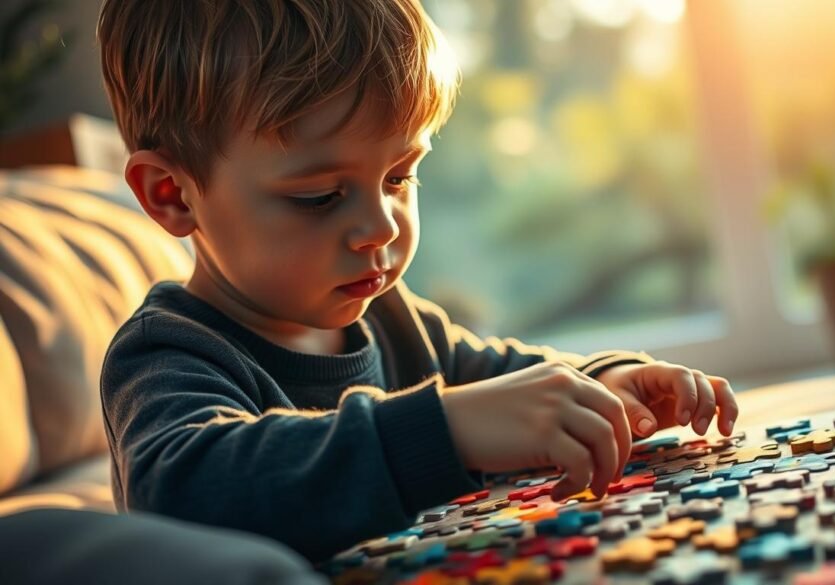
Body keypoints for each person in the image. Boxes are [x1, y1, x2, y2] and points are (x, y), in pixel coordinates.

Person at [96, 0, 739, 564]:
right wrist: (441, 430)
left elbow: (502, 382)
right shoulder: (167, 354)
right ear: (172, 194)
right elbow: (186, 494)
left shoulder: (392, 318)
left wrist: (603, 383)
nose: (381, 225)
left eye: (399, 176)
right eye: (320, 196)